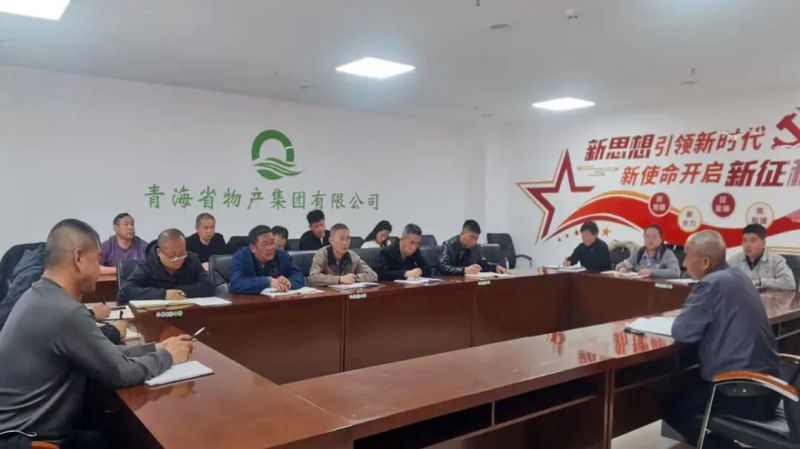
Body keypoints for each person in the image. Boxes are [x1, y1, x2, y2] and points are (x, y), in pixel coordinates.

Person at [0, 219, 193, 448]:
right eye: (98, 260)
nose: (99, 269)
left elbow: (103, 353)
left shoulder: (40, 296)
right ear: (79, 258)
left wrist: (155, 347)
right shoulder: (64, 311)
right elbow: (122, 373)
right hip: (31, 441)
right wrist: (168, 357)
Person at [664, 230, 781, 449]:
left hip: (744, 393)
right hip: (771, 388)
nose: (684, 263)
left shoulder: (710, 284)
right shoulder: (737, 276)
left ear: (705, 262)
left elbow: (683, 332)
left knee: (672, 404)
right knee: (689, 386)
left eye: (687, 255)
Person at [0, 243, 127, 343]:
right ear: (77, 258)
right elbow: (59, 337)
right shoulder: (38, 282)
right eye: (95, 262)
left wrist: (91, 314)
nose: (98, 269)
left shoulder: (37, 265)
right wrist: (112, 332)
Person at [117, 229, 215, 303]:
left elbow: (209, 287)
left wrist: (178, 291)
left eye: (182, 254)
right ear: (159, 252)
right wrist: (163, 294)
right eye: (172, 255)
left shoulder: (192, 260)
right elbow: (124, 292)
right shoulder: (147, 265)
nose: (178, 259)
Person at [230, 225, 305, 294]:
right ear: (253, 248)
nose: (270, 248)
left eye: (272, 242)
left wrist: (289, 282)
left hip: (278, 301)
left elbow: (299, 276)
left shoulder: (282, 255)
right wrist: (267, 282)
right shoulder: (241, 257)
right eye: (264, 244)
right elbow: (236, 284)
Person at [726, 223, 795, 291]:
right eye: (744, 241)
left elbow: (790, 284)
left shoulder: (776, 260)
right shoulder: (733, 260)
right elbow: (723, 282)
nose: (747, 245)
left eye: (753, 241)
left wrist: (762, 282)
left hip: (767, 298)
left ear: (763, 243)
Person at [308, 223, 378, 286]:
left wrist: (355, 278)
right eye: (341, 239)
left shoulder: (352, 256)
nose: (345, 243)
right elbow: (313, 278)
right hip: (328, 294)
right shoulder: (322, 254)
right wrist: (339, 279)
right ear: (331, 240)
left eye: (347, 239)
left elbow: (373, 275)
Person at [439, 220, 508, 275]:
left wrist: (495, 267)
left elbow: (483, 263)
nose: (474, 241)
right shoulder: (448, 245)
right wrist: (464, 270)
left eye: (476, 239)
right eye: (472, 237)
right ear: (462, 233)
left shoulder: (476, 247)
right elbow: (443, 267)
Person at [616, 224, 681, 278]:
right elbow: (622, 264)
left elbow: (676, 272)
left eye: (654, 237)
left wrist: (651, 272)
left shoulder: (667, 254)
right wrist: (622, 268)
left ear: (661, 239)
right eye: (647, 237)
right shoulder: (639, 252)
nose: (650, 240)